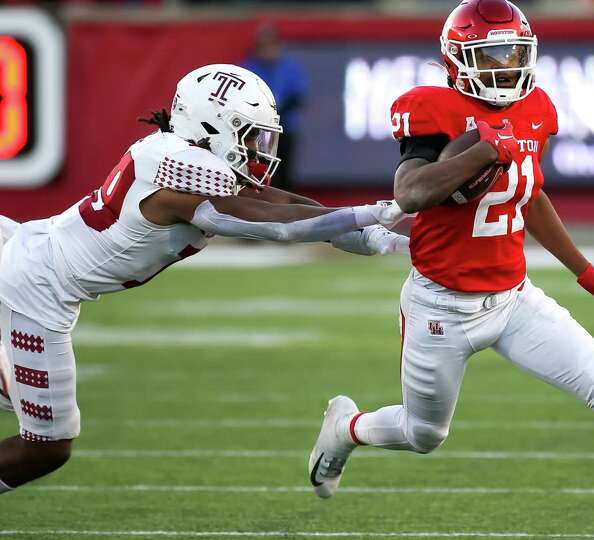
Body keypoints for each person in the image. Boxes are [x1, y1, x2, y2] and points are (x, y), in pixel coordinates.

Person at [306, 2, 594, 539]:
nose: (505, 66)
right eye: (491, 55)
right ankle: (347, 429)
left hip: (514, 300)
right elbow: (411, 192)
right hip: (441, 306)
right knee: (424, 434)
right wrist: (484, 148)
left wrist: (584, 270)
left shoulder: (536, 108)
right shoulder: (431, 109)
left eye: (512, 53)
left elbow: (527, 194)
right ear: (458, 59)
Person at [0, 63, 409, 494]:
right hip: (36, 288)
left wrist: (376, 235)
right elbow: (279, 224)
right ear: (212, 127)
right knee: (48, 445)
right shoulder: (180, 184)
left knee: (20, 398)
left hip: (28, 249)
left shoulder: (179, 158)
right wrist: (374, 213)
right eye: (250, 135)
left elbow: (284, 202)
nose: (258, 148)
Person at [242, 24, 308, 192]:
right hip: (258, 130)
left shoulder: (289, 67)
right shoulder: (249, 68)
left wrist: (277, 111)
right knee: (261, 169)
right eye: (263, 46)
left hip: (285, 128)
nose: (268, 50)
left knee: (286, 172)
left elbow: (299, 96)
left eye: (271, 45)